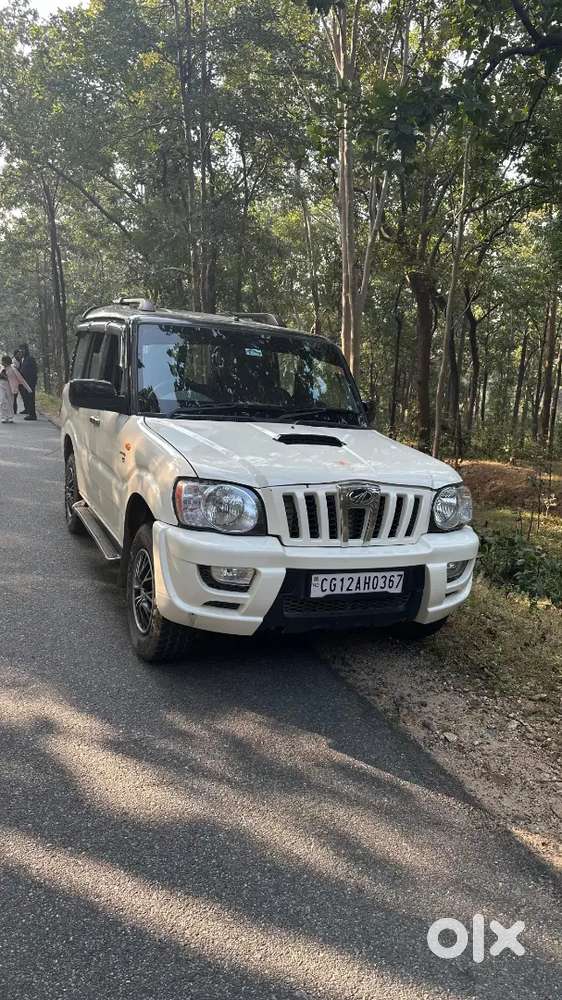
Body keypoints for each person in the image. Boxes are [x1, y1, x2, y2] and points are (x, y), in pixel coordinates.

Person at [0, 355, 31, 424]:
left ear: (6, 362)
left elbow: (21, 379)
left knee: (10, 402)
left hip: (10, 386)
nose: (2, 362)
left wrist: (28, 389)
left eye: (3, 361)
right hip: (1, 386)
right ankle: (4, 417)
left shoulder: (13, 368)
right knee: (2, 401)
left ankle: (10, 417)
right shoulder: (1, 367)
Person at [19, 343, 38, 421]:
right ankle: (29, 411)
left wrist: (32, 381)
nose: (21, 352)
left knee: (30, 398)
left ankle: (32, 415)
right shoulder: (23, 359)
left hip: (30, 382)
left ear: (26, 350)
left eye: (23, 350)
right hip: (25, 382)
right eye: (20, 350)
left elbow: (34, 370)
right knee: (27, 397)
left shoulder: (30, 358)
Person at [12, 349, 22, 414]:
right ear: (15, 354)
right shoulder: (13, 361)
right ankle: (14, 410)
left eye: (19, 354)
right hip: (14, 380)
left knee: (16, 395)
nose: (19, 355)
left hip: (20, 380)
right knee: (14, 396)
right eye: (18, 354)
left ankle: (14, 410)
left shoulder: (21, 360)